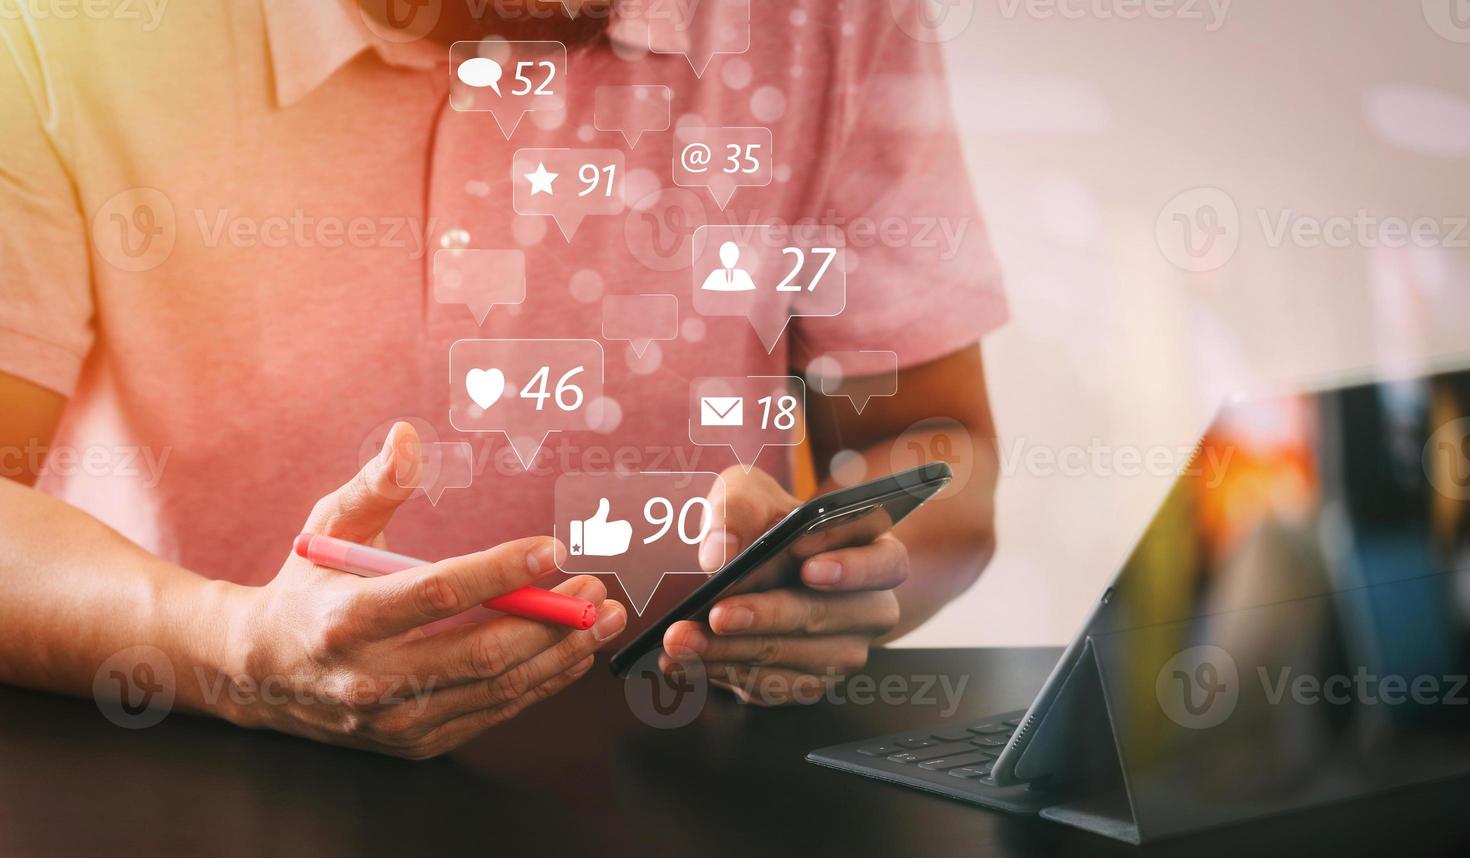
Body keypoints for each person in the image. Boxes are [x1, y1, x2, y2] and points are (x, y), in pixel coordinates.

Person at [0, 0, 1007, 757]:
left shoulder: (831, 21)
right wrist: (233, 648)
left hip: (681, 789)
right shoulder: (75, 28)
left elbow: (943, 455)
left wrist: (841, 574)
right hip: (180, 772)